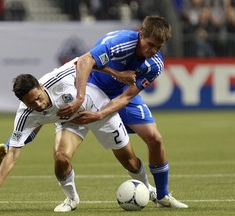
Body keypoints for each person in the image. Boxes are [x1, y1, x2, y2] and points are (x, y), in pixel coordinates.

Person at [0, 58, 156, 212]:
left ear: (41, 86)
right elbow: (13, 154)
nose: (39, 105)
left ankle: (147, 189)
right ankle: (72, 198)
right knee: (61, 158)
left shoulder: (59, 78)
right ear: (22, 102)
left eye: (39, 98)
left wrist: (117, 74)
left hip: (98, 109)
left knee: (129, 161)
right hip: (70, 122)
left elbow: (89, 60)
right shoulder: (25, 115)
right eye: (31, 103)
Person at [57, 15, 188, 208]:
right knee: (63, 153)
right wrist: (80, 98)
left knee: (155, 138)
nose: (152, 51)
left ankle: (162, 196)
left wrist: (101, 114)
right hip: (94, 89)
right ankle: (71, 197)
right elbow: (86, 61)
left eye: (158, 48)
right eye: (150, 44)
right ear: (141, 34)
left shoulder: (155, 65)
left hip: (120, 93)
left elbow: (126, 97)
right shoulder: (119, 43)